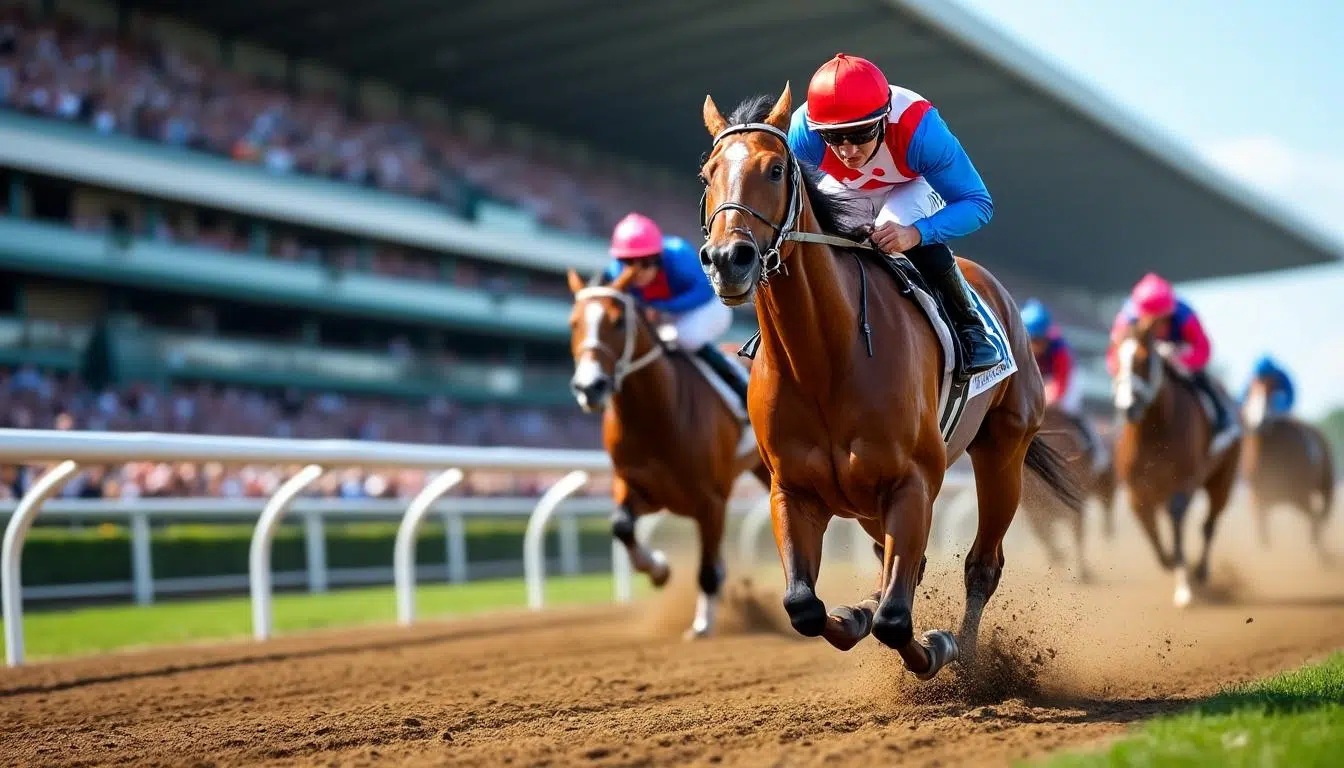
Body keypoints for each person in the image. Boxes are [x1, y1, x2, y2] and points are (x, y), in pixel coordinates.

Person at [786, 53, 1000, 379]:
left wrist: (917, 233)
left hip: (911, 184)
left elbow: (978, 203)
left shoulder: (922, 132)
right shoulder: (803, 134)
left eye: (860, 134)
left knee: (889, 232)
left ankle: (970, 327)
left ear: (884, 119)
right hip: (847, 188)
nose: (847, 151)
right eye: (834, 137)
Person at [605, 212, 748, 404]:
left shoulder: (679, 255)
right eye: (628, 263)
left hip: (708, 308)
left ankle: (738, 385)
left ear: (658, 257)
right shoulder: (614, 272)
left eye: (645, 262)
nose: (637, 272)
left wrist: (661, 307)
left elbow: (705, 291)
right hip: (667, 317)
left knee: (685, 337)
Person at [1107, 272, 1240, 453]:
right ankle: (1117, 432)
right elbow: (1114, 356)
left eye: (1162, 320)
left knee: (1202, 379)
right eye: (1151, 322)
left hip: (1179, 354)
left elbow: (1204, 351)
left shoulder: (1185, 314)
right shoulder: (1126, 319)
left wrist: (1179, 358)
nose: (1158, 327)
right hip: (1144, 362)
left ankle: (1223, 420)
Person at [1022, 298, 1103, 462]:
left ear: (1046, 337)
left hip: (1065, 378)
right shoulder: (1019, 346)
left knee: (1069, 408)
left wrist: (1047, 398)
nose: (1034, 346)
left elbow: (1060, 386)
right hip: (1041, 378)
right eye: (1031, 340)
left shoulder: (1060, 350)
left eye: (1038, 340)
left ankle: (1096, 449)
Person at [1242, 354, 1295, 420]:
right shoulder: (1250, 387)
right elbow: (1241, 404)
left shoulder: (1282, 390)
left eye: (1266, 379)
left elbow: (1286, 408)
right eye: (1262, 379)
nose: (1265, 383)